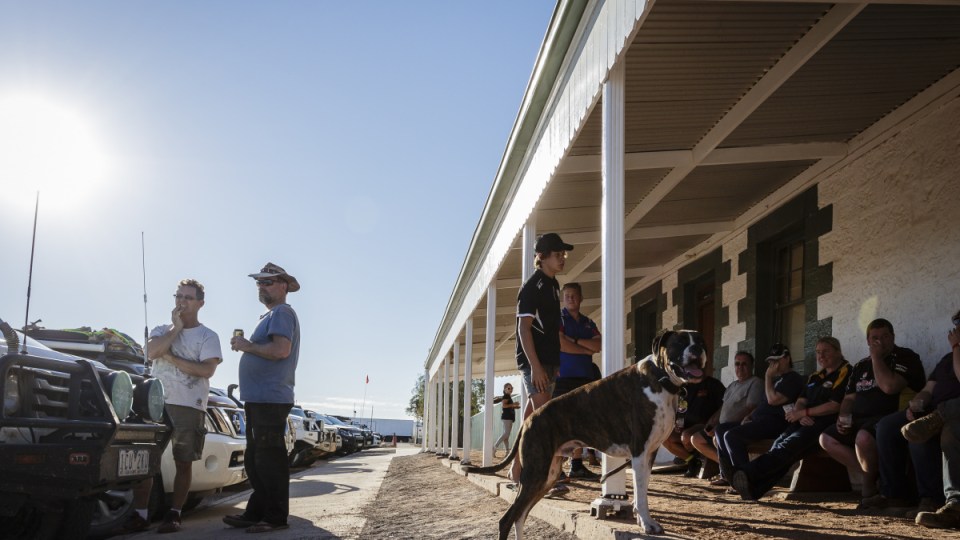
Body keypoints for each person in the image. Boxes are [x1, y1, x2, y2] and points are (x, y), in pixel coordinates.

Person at [117, 279, 222, 534]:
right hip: (154, 402)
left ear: (200, 303)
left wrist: (171, 357)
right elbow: (152, 353)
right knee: (145, 460)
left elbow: (206, 370)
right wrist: (175, 330)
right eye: (178, 296)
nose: (181, 301)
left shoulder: (208, 336)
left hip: (189, 405)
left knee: (183, 462)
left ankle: (174, 513)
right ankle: (141, 514)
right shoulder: (161, 329)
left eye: (188, 297)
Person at [223, 263, 301, 534]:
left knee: (269, 459)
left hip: (270, 398)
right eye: (259, 282)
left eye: (267, 282)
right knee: (257, 459)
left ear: (283, 286)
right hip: (260, 398)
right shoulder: (270, 315)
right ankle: (257, 512)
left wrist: (248, 346)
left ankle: (276, 517)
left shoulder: (281, 312)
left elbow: (281, 350)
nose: (261, 286)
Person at [820, 319, 925, 509]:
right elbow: (849, 399)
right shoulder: (860, 365)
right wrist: (844, 417)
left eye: (885, 337)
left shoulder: (905, 356)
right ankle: (872, 477)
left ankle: (868, 486)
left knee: (863, 438)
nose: (880, 342)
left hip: (889, 417)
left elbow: (889, 387)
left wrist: (876, 358)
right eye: (874, 338)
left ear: (893, 337)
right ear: (868, 341)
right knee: (826, 438)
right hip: (859, 419)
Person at [732, 337, 852, 501]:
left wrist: (804, 413)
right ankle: (755, 490)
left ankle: (747, 472)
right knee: (779, 444)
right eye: (818, 352)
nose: (821, 356)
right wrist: (800, 414)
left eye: (826, 351)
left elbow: (834, 405)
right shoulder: (816, 376)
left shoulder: (846, 372)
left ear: (838, 352)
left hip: (826, 423)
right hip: (804, 420)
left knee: (788, 447)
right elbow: (802, 400)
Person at [509, 233, 571, 484]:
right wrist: (535, 366)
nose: (562, 259)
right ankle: (549, 474)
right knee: (546, 421)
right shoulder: (531, 287)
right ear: (542, 257)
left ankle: (515, 468)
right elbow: (523, 329)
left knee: (531, 418)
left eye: (563, 254)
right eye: (558, 254)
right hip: (535, 362)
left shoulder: (554, 284)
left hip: (549, 361)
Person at [890, 310, 960, 528]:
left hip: (951, 412)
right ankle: (930, 500)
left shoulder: (955, 353)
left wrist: (957, 347)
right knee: (903, 430)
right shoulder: (945, 360)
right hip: (940, 411)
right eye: (957, 323)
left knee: (949, 430)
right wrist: (917, 402)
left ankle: (955, 504)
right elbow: (928, 389)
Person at [715, 344, 804, 487]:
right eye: (771, 361)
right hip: (759, 420)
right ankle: (730, 476)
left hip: (776, 423)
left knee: (731, 436)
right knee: (720, 430)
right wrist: (750, 416)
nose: (773, 364)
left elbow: (773, 400)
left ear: (787, 359)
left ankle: (747, 479)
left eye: (777, 360)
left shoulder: (793, 378)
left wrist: (768, 376)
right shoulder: (777, 380)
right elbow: (763, 404)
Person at [553, 282, 602, 482]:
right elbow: (561, 344)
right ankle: (557, 469)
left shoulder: (588, 323)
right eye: (567, 296)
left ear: (581, 298)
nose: (570, 298)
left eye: (574, 295)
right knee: (561, 425)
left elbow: (598, 346)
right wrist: (584, 348)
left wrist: (574, 341)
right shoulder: (559, 319)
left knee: (582, 422)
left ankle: (577, 466)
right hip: (562, 379)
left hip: (585, 378)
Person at [691, 351, 763, 480]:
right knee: (696, 439)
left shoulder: (755, 382)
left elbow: (751, 408)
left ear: (751, 366)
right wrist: (712, 422)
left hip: (738, 427)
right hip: (721, 427)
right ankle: (726, 468)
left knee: (718, 437)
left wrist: (720, 426)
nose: (740, 367)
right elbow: (723, 408)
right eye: (737, 364)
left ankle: (727, 473)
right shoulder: (732, 385)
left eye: (744, 364)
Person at [662, 358, 725, 477]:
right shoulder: (683, 386)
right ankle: (692, 461)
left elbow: (724, 406)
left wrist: (713, 422)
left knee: (686, 436)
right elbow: (679, 407)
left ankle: (703, 460)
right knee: (665, 437)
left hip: (705, 425)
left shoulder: (713, 384)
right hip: (684, 425)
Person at [493, 382, 519, 455]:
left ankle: (507, 452)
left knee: (506, 436)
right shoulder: (506, 396)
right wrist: (513, 404)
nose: (511, 389)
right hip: (507, 417)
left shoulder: (508, 396)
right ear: (505, 389)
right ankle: (495, 447)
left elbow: (507, 406)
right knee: (506, 434)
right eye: (509, 388)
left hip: (508, 417)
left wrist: (514, 406)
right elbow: (504, 406)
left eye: (512, 388)